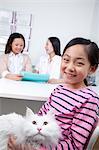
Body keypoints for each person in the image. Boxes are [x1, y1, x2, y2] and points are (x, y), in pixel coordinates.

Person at [8, 37, 99, 150]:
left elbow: (75, 145)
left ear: (92, 69)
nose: (69, 67)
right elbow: (39, 117)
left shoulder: (89, 99)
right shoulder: (59, 89)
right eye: (66, 60)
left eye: (79, 63)